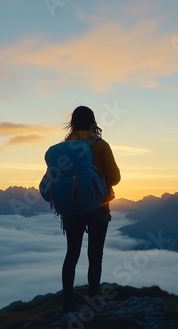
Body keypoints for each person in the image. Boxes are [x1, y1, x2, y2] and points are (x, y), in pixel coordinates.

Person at [61, 105, 121, 312]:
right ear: (93, 122)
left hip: (70, 207)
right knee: (95, 256)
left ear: (73, 123)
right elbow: (115, 178)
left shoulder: (64, 149)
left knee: (72, 254)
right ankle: (93, 297)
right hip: (98, 207)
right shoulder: (101, 146)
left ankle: (68, 301)